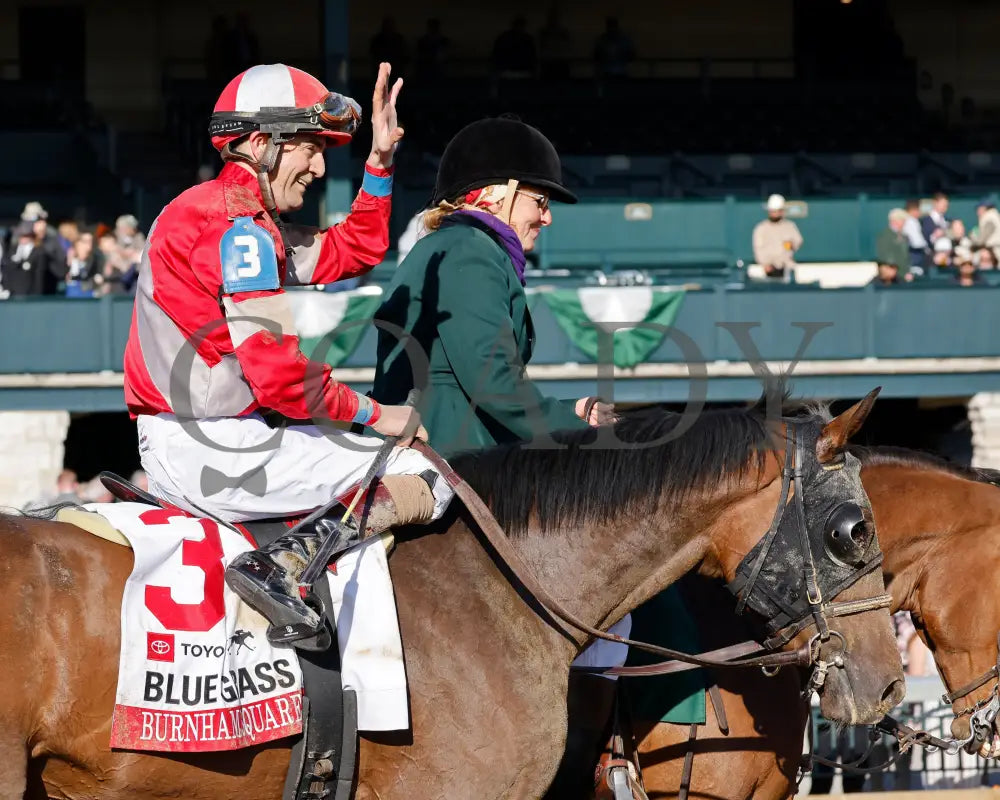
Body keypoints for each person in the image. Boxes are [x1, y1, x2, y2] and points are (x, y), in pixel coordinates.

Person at [122, 62, 454, 637]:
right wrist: (379, 414)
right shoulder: (240, 230)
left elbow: (352, 251)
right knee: (425, 471)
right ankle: (282, 565)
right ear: (260, 144)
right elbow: (279, 377)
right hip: (214, 446)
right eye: (309, 147)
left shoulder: (230, 215)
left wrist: (379, 163)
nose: (319, 167)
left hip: (206, 438)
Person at [372, 114, 614, 457]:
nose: (547, 218)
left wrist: (569, 411)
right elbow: (492, 383)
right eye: (540, 202)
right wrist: (581, 434)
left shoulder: (458, 245)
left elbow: (469, 389)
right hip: (449, 456)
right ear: (497, 196)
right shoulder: (468, 250)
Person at [751, 194, 803, 279]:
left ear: (782, 211)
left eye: (777, 211)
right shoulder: (761, 228)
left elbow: (798, 241)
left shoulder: (789, 226)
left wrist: (792, 244)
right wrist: (765, 264)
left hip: (786, 266)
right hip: (769, 269)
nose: (775, 213)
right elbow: (758, 249)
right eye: (773, 211)